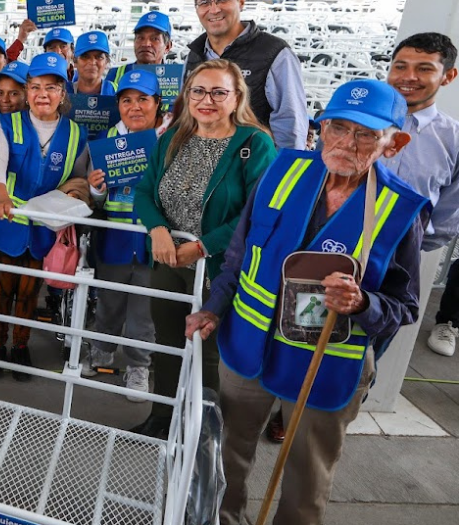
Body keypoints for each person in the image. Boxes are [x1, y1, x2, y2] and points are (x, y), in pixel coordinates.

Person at [188, 79, 428, 525]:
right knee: (226, 455)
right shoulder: (282, 170)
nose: (346, 143)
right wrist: (213, 307)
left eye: (365, 134)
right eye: (337, 127)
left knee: (306, 476)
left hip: (329, 361)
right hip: (248, 346)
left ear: (394, 144)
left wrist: (361, 304)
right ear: (319, 128)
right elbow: (241, 254)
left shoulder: (401, 210)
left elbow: (406, 306)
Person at [130, 59, 277, 438]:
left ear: (236, 97)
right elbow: (145, 192)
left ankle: (206, 430)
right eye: (198, 91)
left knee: (209, 350)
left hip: (218, 267)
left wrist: (203, 247)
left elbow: (257, 212)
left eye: (218, 92)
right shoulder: (174, 136)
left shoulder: (254, 143)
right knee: (167, 341)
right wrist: (158, 229)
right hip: (168, 259)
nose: (206, 100)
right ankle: (163, 416)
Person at [0, 53, 91, 380]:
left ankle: (20, 345)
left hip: (44, 226)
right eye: (35, 86)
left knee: (29, 292)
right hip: (8, 222)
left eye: (51, 87)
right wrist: (1, 196)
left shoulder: (76, 134)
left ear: (63, 93)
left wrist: (76, 194)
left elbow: (78, 178)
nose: (42, 94)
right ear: (27, 91)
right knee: (1, 290)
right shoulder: (5, 124)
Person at [83, 70, 173, 400]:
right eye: (126, 100)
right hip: (115, 240)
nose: (134, 107)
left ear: (157, 104)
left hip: (153, 246)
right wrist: (95, 189)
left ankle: (138, 365)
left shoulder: (170, 143)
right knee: (108, 302)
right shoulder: (104, 143)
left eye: (143, 99)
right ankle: (101, 349)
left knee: (144, 312)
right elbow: (95, 200)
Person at [379, 33, 459, 357]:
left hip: (397, 263)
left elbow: (448, 213)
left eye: (424, 68)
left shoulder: (452, 140)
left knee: (364, 355)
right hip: (331, 246)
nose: (409, 77)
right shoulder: (355, 121)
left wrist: (408, 245)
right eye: (401, 66)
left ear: (448, 76)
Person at [184, 0, 308, 150]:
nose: (214, 9)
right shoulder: (194, 54)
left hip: (253, 169)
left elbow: (291, 125)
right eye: (205, 3)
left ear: (241, 1)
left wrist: (279, 173)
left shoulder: (274, 54)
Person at [109, 11, 174, 84]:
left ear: (167, 47)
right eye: (140, 38)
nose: (146, 44)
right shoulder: (115, 75)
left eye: (155, 39)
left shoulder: (176, 79)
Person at [71, 30, 118, 98]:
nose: (92, 62)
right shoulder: (63, 93)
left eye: (99, 57)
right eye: (85, 57)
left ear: (106, 61)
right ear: (75, 61)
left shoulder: (117, 92)